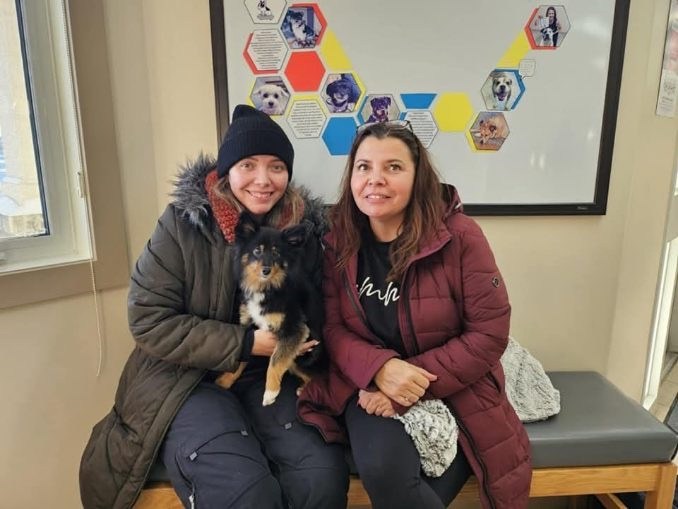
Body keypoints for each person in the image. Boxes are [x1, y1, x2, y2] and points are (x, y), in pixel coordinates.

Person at [79, 105, 349, 509]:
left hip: (273, 378)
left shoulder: (303, 235)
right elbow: (148, 318)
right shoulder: (181, 226)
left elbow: (319, 311)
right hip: (186, 380)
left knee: (321, 478)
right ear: (227, 171)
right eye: (248, 165)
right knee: (244, 492)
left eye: (277, 166)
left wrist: (312, 345)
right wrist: (243, 344)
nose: (263, 179)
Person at [298, 121, 531, 509]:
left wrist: (409, 384)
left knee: (419, 488)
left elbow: (489, 333)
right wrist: (381, 369)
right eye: (364, 167)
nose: (375, 180)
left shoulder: (460, 237)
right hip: (368, 384)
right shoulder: (337, 240)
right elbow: (333, 328)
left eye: (393, 167)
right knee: (382, 468)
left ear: (417, 175)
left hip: (456, 385)